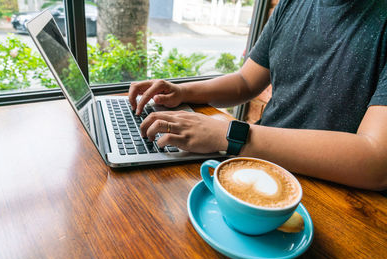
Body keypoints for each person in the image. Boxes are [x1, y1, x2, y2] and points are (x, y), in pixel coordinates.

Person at [128, 0, 387, 191]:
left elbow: (377, 162)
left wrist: (229, 134)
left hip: (334, 191)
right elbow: (245, 82)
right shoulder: (291, 5)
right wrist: (184, 91)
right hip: (258, 165)